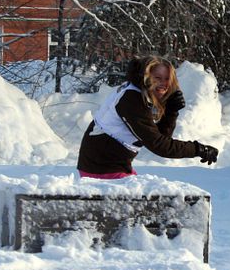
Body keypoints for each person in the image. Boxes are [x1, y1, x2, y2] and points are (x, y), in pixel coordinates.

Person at [77, 56, 219, 179]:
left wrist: (171, 111)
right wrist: (198, 149)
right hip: (101, 168)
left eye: (167, 79)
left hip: (110, 165)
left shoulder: (137, 93)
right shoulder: (132, 99)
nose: (163, 84)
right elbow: (159, 145)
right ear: (146, 76)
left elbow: (161, 137)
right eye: (157, 78)